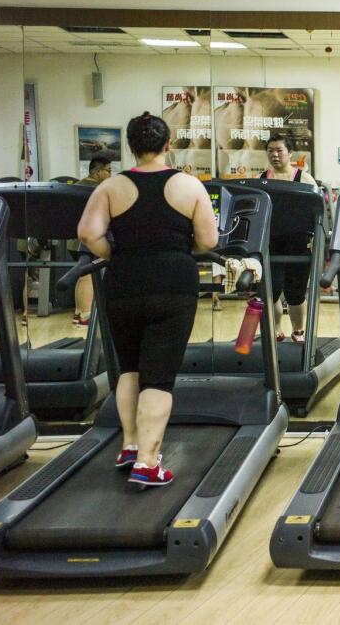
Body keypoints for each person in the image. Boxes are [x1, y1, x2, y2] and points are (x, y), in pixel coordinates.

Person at [77, 113, 219, 487]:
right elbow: (208, 241)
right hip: (173, 281)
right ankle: (147, 463)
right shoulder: (189, 186)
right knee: (159, 378)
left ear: (130, 146)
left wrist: (113, 255)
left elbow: (88, 233)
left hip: (124, 281)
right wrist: (177, 247)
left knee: (129, 369)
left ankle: (129, 444)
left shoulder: (110, 187)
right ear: (168, 144)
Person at [261, 135, 317, 342]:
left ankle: (298, 331)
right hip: (271, 244)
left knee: (296, 292)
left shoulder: (304, 178)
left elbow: (315, 210)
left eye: (279, 150)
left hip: (298, 244)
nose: (275, 154)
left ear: (289, 153)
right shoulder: (262, 178)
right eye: (270, 150)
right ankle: (276, 330)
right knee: (272, 289)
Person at [70, 155, 113, 327]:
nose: (110, 175)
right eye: (108, 171)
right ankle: (86, 315)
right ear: (96, 171)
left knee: (81, 276)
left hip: (74, 240)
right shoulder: (96, 189)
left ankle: (78, 312)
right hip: (90, 239)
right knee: (88, 277)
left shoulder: (78, 186)